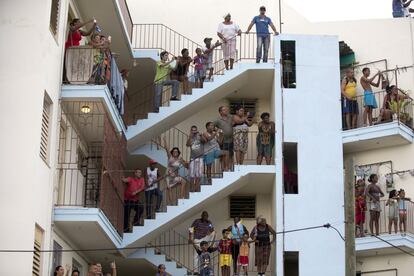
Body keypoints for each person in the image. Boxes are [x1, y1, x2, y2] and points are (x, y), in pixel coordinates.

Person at [214, 106, 234, 171]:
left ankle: (230, 169)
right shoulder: (218, 120)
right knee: (223, 156)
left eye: (226, 109)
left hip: (231, 140)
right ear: (220, 112)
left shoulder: (230, 117)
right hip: (223, 141)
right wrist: (217, 130)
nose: (226, 111)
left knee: (230, 155)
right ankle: (224, 169)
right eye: (224, 110)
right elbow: (212, 126)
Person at [186, 125, 204, 192]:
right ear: (191, 131)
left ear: (197, 130)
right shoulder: (190, 138)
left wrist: (200, 134)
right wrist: (190, 136)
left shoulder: (199, 136)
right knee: (192, 175)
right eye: (192, 130)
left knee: (198, 175)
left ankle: (196, 189)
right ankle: (192, 189)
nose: (194, 131)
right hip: (192, 158)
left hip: (200, 158)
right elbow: (187, 144)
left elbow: (204, 140)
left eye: (195, 130)